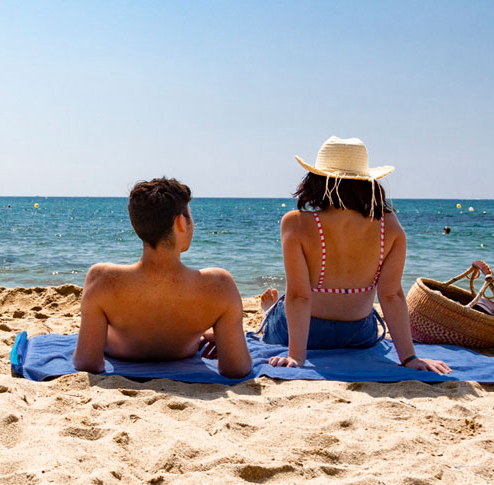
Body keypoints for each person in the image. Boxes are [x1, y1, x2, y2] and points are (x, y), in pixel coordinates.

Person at [258, 137, 451, 374]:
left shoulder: (296, 223)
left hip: (303, 334)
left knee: (281, 307)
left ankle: (268, 312)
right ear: (368, 183)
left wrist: (296, 356)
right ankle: (271, 310)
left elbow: (299, 296)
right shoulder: (389, 225)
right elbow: (391, 295)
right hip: (359, 333)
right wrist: (410, 358)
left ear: (315, 180)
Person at [74, 178, 252, 378]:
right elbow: (237, 368)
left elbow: (87, 363)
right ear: (180, 223)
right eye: (190, 217)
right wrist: (223, 337)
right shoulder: (219, 285)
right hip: (184, 350)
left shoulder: (102, 279)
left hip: (120, 351)